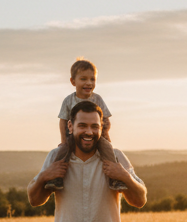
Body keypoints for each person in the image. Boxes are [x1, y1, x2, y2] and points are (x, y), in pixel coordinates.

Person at [42, 58, 128, 193]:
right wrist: (64, 140)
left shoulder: (97, 99)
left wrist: (105, 136)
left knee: (109, 151)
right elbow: (63, 121)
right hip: (72, 136)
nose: (89, 83)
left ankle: (115, 179)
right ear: (73, 81)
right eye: (83, 79)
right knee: (62, 152)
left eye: (92, 79)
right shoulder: (69, 100)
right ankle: (56, 179)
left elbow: (106, 119)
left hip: (97, 135)